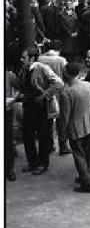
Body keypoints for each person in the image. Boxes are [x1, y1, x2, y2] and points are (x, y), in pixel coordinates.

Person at [18, 46, 64, 175]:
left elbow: (59, 83)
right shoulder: (24, 69)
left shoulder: (43, 68)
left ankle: (43, 164)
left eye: (24, 57)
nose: (21, 59)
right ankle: (32, 162)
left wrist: (44, 96)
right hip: (28, 105)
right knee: (27, 135)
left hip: (42, 107)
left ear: (32, 58)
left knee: (43, 135)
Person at [60, 63, 90, 193]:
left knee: (79, 156)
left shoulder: (66, 92)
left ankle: (86, 183)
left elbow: (65, 116)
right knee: (87, 155)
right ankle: (85, 176)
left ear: (66, 73)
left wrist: (62, 134)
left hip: (76, 128)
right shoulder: (89, 85)